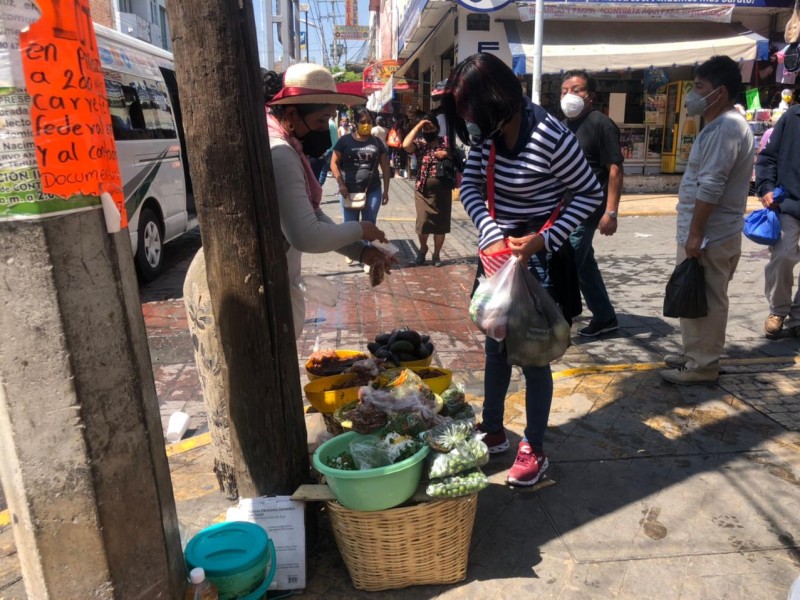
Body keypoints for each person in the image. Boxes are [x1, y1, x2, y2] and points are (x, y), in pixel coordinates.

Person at [441, 53, 604, 486]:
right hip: (497, 257)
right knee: (495, 347)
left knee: (533, 359)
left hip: (540, 260)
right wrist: (490, 230)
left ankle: (534, 446)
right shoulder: (485, 136)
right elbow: (471, 186)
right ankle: (493, 430)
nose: (469, 126)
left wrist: (543, 241)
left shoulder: (550, 135)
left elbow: (588, 194)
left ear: (498, 104)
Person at [262, 63, 393, 338]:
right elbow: (307, 235)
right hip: (261, 295)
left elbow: (312, 216)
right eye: (321, 121)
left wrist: (361, 251)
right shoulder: (281, 153)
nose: (325, 131)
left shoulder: (286, 145)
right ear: (291, 115)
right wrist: (362, 229)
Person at [659, 56, 754, 385]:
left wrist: (696, 233)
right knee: (695, 294)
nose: (692, 94)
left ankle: (702, 365)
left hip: (711, 235)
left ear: (721, 92)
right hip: (713, 233)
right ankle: (693, 353)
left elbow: (711, 185)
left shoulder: (726, 128)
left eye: (699, 87)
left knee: (708, 300)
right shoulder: (722, 125)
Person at [560, 70, 624, 337]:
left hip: (586, 210)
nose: (569, 96)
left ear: (590, 96)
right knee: (584, 266)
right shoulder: (563, 124)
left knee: (565, 268)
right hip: (564, 209)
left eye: (576, 90)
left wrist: (611, 212)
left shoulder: (602, 124)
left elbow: (615, 170)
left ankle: (557, 324)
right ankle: (605, 316)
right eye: (564, 91)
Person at [755, 101, 800, 338]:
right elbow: (768, 157)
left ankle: (799, 318)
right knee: (782, 256)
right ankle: (778, 311)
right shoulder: (793, 117)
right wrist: (765, 187)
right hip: (789, 203)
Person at [330, 108, 391, 270]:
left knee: (369, 223)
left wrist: (386, 191)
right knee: (350, 225)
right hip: (348, 191)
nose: (366, 125)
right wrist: (341, 184)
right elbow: (333, 163)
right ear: (355, 123)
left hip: (373, 190)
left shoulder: (377, 143)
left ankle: (368, 257)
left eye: (369, 122)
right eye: (362, 122)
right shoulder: (344, 141)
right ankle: (352, 252)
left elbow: (385, 168)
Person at [402, 113, 459, 267]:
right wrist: (419, 125)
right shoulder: (420, 144)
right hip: (422, 191)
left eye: (430, 127)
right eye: (425, 128)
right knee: (423, 222)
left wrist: (446, 154)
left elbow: (458, 155)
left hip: (443, 190)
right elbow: (405, 145)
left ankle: (436, 255)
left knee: (441, 225)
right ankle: (423, 249)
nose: (428, 131)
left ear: (437, 128)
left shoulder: (445, 142)